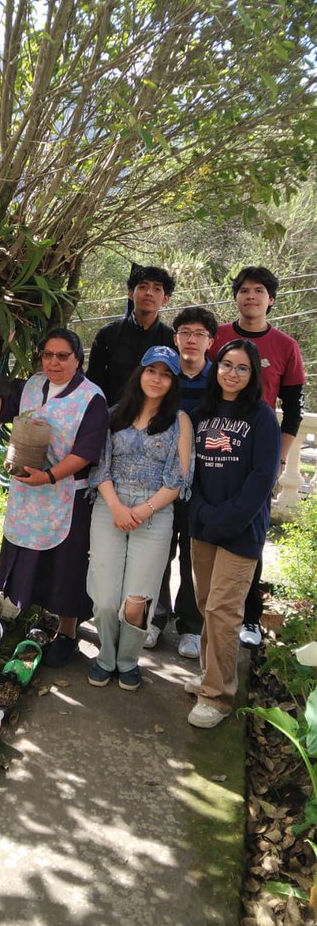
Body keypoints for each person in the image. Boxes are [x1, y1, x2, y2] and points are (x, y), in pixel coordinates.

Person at [0, 329, 109, 667]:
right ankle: (36, 617)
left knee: (66, 566)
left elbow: (86, 452)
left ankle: (68, 632)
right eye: (48, 355)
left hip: (66, 495)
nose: (54, 362)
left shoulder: (91, 398)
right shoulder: (32, 386)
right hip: (28, 493)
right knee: (29, 557)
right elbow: (6, 409)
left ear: (77, 358)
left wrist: (51, 476)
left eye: (62, 356)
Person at [86, 346, 193, 691]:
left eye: (166, 374)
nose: (157, 379)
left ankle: (127, 661)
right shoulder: (114, 414)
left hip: (155, 514)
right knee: (104, 598)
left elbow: (179, 479)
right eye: (152, 370)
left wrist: (143, 510)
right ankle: (106, 656)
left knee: (137, 600)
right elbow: (100, 466)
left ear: (173, 381)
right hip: (110, 507)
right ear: (140, 373)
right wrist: (117, 507)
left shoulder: (180, 421)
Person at [186, 339, 281, 728]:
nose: (232, 373)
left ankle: (218, 697)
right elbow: (189, 468)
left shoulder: (262, 418)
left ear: (253, 374)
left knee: (224, 611)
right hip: (203, 524)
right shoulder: (203, 411)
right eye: (227, 364)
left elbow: (262, 478)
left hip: (240, 531)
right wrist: (203, 512)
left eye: (242, 368)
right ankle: (210, 677)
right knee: (206, 604)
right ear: (217, 366)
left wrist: (225, 518)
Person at [209, 267, 305, 648]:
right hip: (213, 446)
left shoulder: (286, 346)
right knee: (202, 530)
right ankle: (202, 612)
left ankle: (249, 616)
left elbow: (293, 410)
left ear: (271, 299)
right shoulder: (218, 337)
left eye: (259, 290)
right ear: (235, 297)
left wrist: (279, 460)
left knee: (250, 534)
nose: (251, 296)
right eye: (244, 290)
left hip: (257, 455)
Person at [145, 306, 218, 658]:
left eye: (199, 334)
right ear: (175, 339)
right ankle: (156, 617)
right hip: (161, 478)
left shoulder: (221, 379)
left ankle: (191, 624)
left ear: (210, 341)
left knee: (193, 552)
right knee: (158, 548)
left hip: (205, 481)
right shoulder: (163, 376)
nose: (191, 339)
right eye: (185, 332)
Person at [86, 265, 176, 406]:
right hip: (111, 417)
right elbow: (93, 381)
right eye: (142, 287)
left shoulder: (171, 339)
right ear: (130, 293)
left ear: (166, 299)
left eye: (157, 288)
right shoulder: (108, 334)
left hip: (154, 420)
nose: (149, 293)